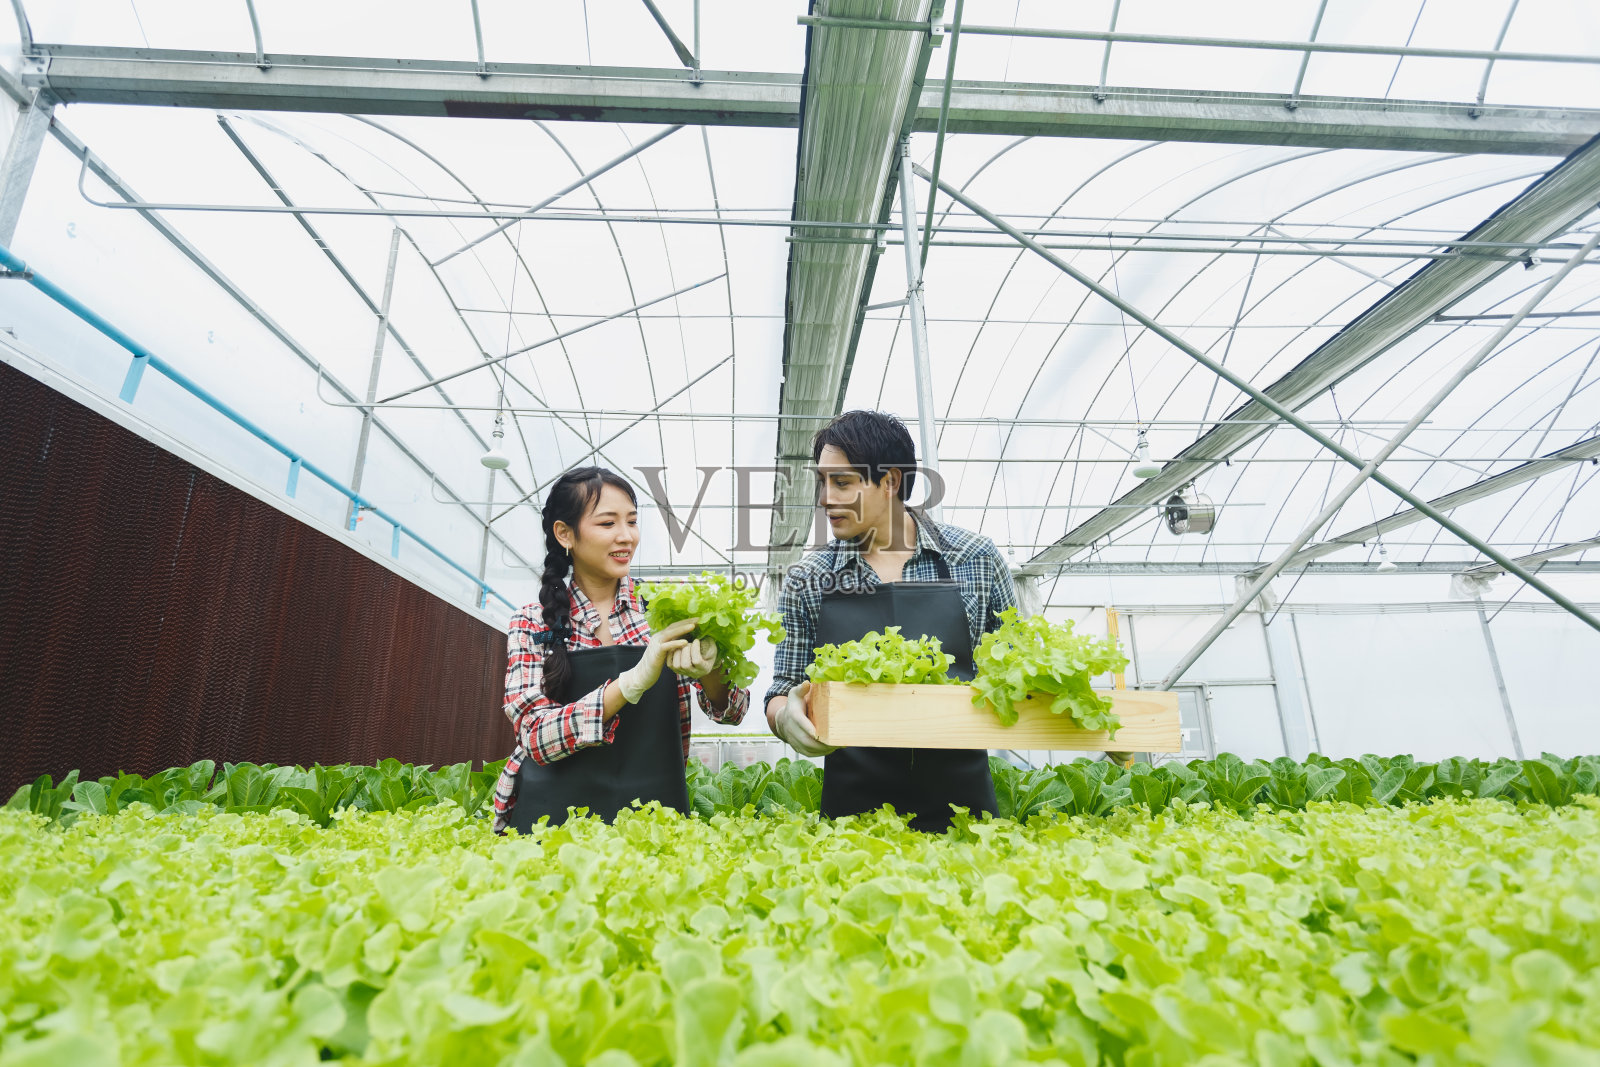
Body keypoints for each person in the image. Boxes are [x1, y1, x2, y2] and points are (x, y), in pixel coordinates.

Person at [764, 410, 1017, 832]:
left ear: (890, 482)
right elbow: (781, 690)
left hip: (965, 816)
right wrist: (786, 720)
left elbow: (1020, 673)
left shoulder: (975, 559)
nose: (824, 498)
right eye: (822, 482)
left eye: (841, 482)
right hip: (853, 821)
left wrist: (1101, 728)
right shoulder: (808, 579)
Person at [491, 466, 748, 833]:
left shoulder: (666, 610)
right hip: (553, 822)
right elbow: (534, 735)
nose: (626, 536)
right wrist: (629, 684)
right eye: (607, 523)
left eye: (632, 521)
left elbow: (733, 711)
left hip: (653, 816)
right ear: (565, 533)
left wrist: (710, 670)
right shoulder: (533, 622)